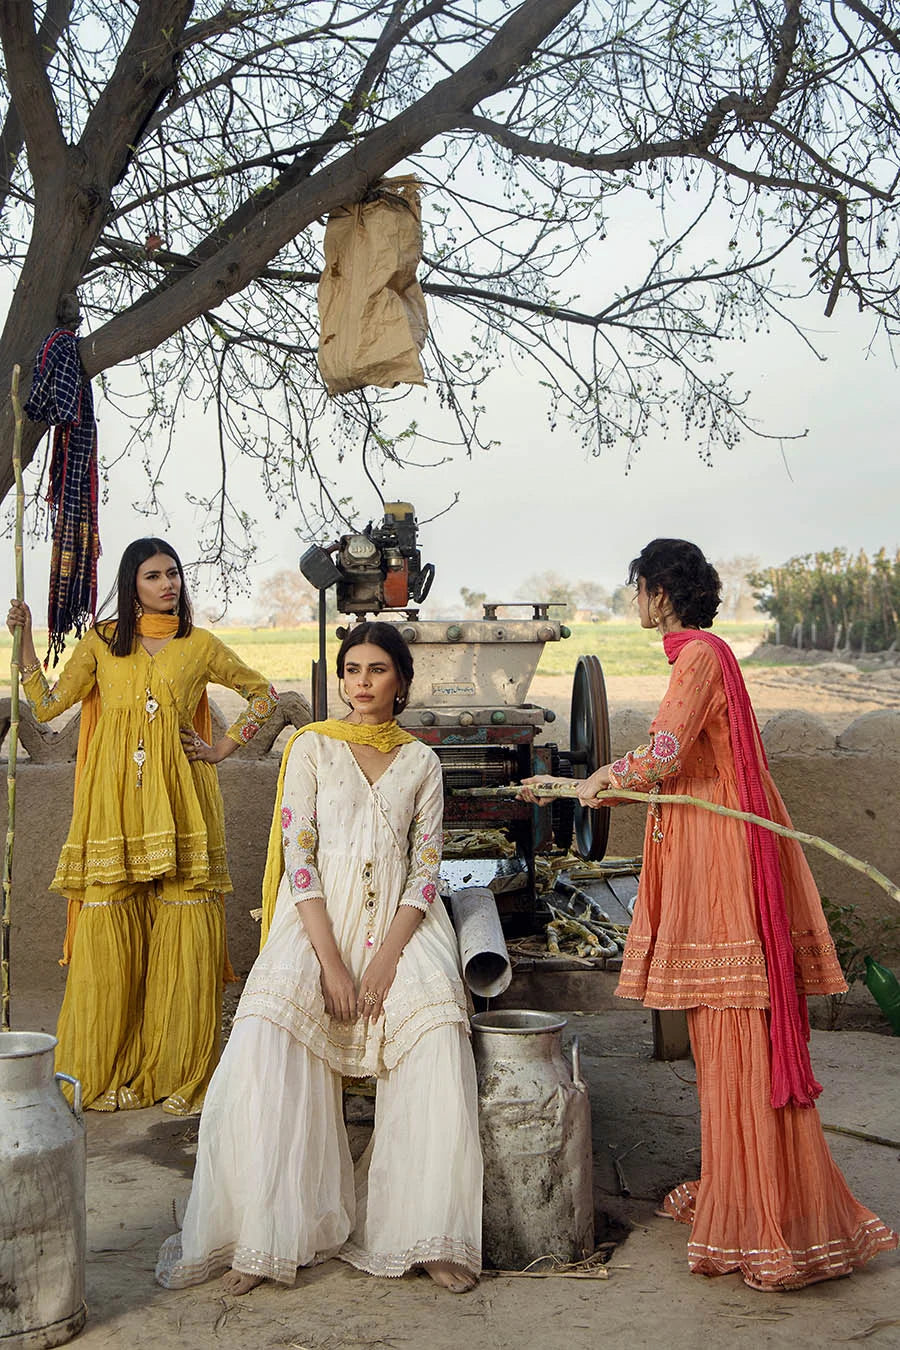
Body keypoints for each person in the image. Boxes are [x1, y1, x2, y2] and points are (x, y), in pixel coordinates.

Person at [523, 538, 898, 1291]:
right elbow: (678, 762)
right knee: (724, 1033)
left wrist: (592, 780)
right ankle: (743, 1187)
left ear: (660, 592)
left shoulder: (696, 658)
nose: (635, 603)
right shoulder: (704, 656)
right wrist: (582, 788)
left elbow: (662, 754)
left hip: (721, 856)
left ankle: (763, 1216)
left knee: (732, 1031)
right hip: (715, 840)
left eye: (638, 589)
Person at [155, 621, 482, 1296]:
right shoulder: (310, 749)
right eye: (352, 670)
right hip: (316, 925)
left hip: (403, 926)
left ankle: (427, 1234)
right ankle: (263, 1234)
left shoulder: (423, 763)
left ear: (401, 682)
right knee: (265, 1035)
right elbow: (298, 862)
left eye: (376, 670)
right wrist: (331, 964)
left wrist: (388, 959)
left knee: (438, 1031)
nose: (361, 682)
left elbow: (426, 873)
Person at [7, 537, 278, 1115]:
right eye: (154, 575)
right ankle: (109, 1064)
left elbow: (263, 694)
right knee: (109, 930)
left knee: (185, 930)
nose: (168, 584)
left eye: (173, 574)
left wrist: (224, 747)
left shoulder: (199, 645)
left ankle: (175, 1069)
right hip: (114, 807)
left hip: (182, 801)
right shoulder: (103, 642)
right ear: (132, 583)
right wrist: (24, 641)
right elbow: (50, 704)